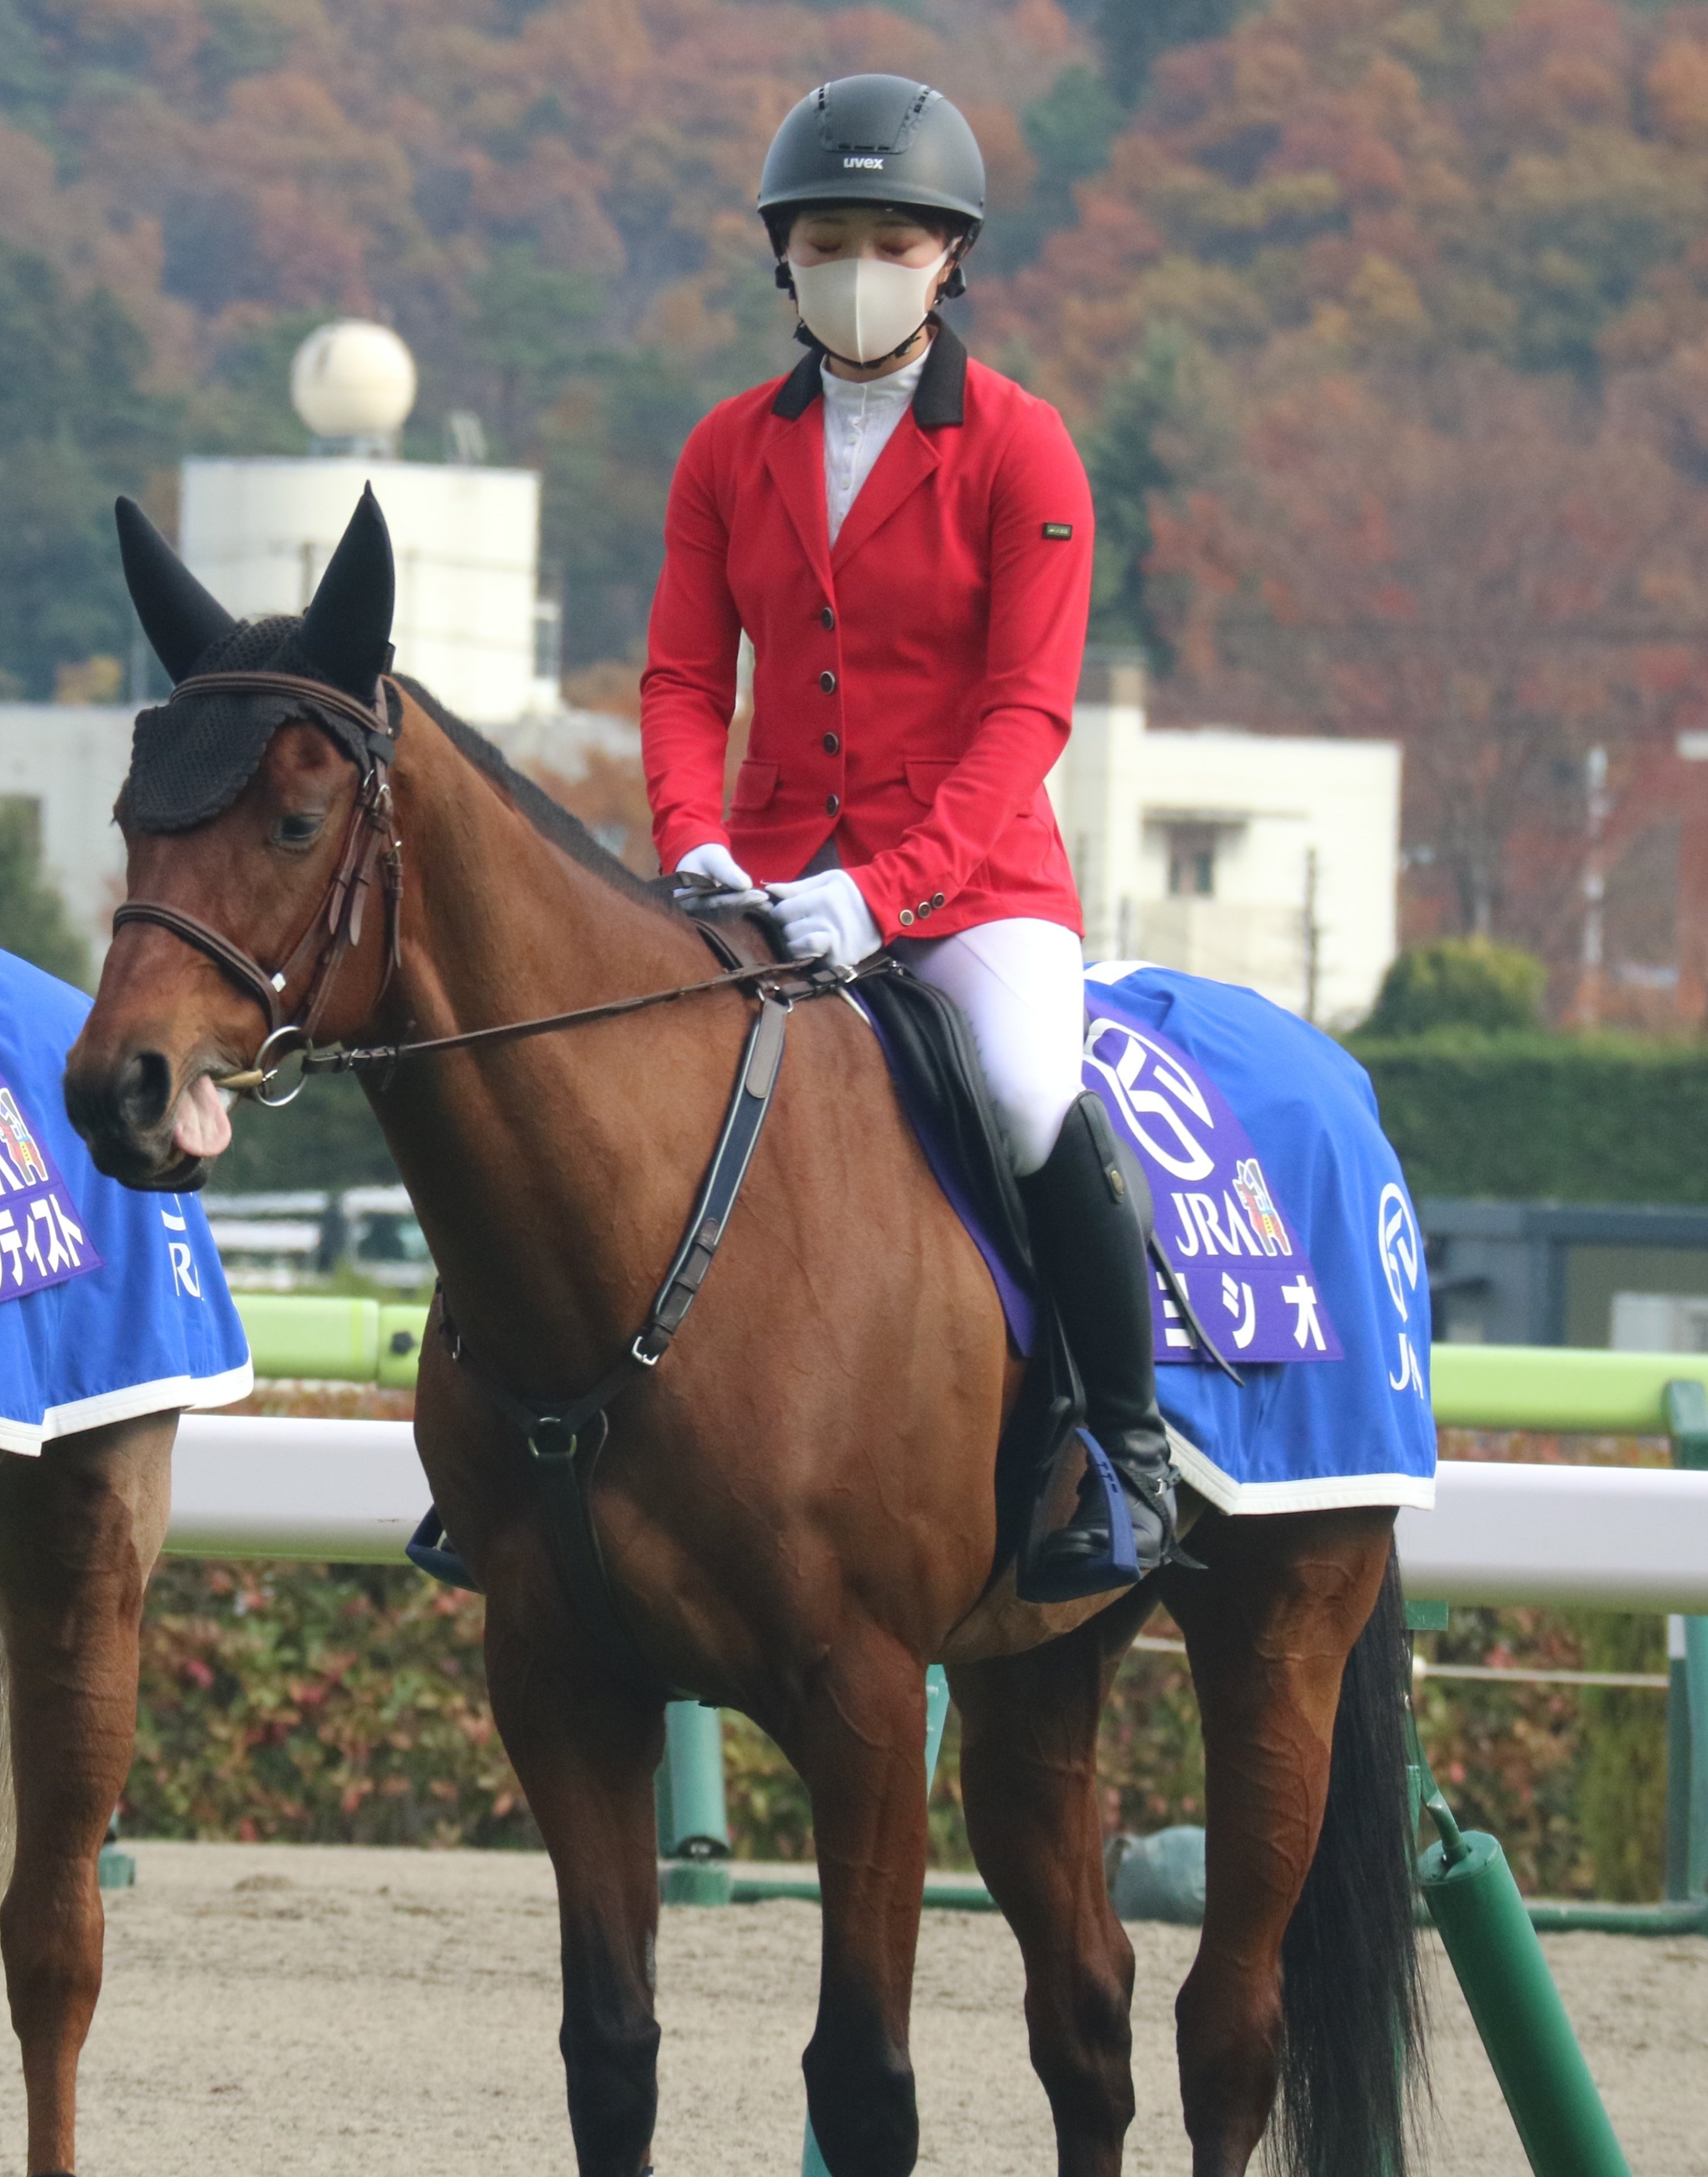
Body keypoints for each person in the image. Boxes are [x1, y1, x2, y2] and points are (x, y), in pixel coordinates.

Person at [638, 73, 1180, 1600]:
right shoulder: (724, 450)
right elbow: (685, 679)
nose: (855, 268)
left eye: (889, 239)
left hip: (969, 888)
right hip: (753, 871)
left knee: (1019, 1091)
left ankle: (1120, 1448)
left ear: (949, 259)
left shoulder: (1025, 451)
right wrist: (694, 839)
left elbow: (1026, 716)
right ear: (781, 257)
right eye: (825, 240)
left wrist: (883, 898)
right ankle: (541, 1453)